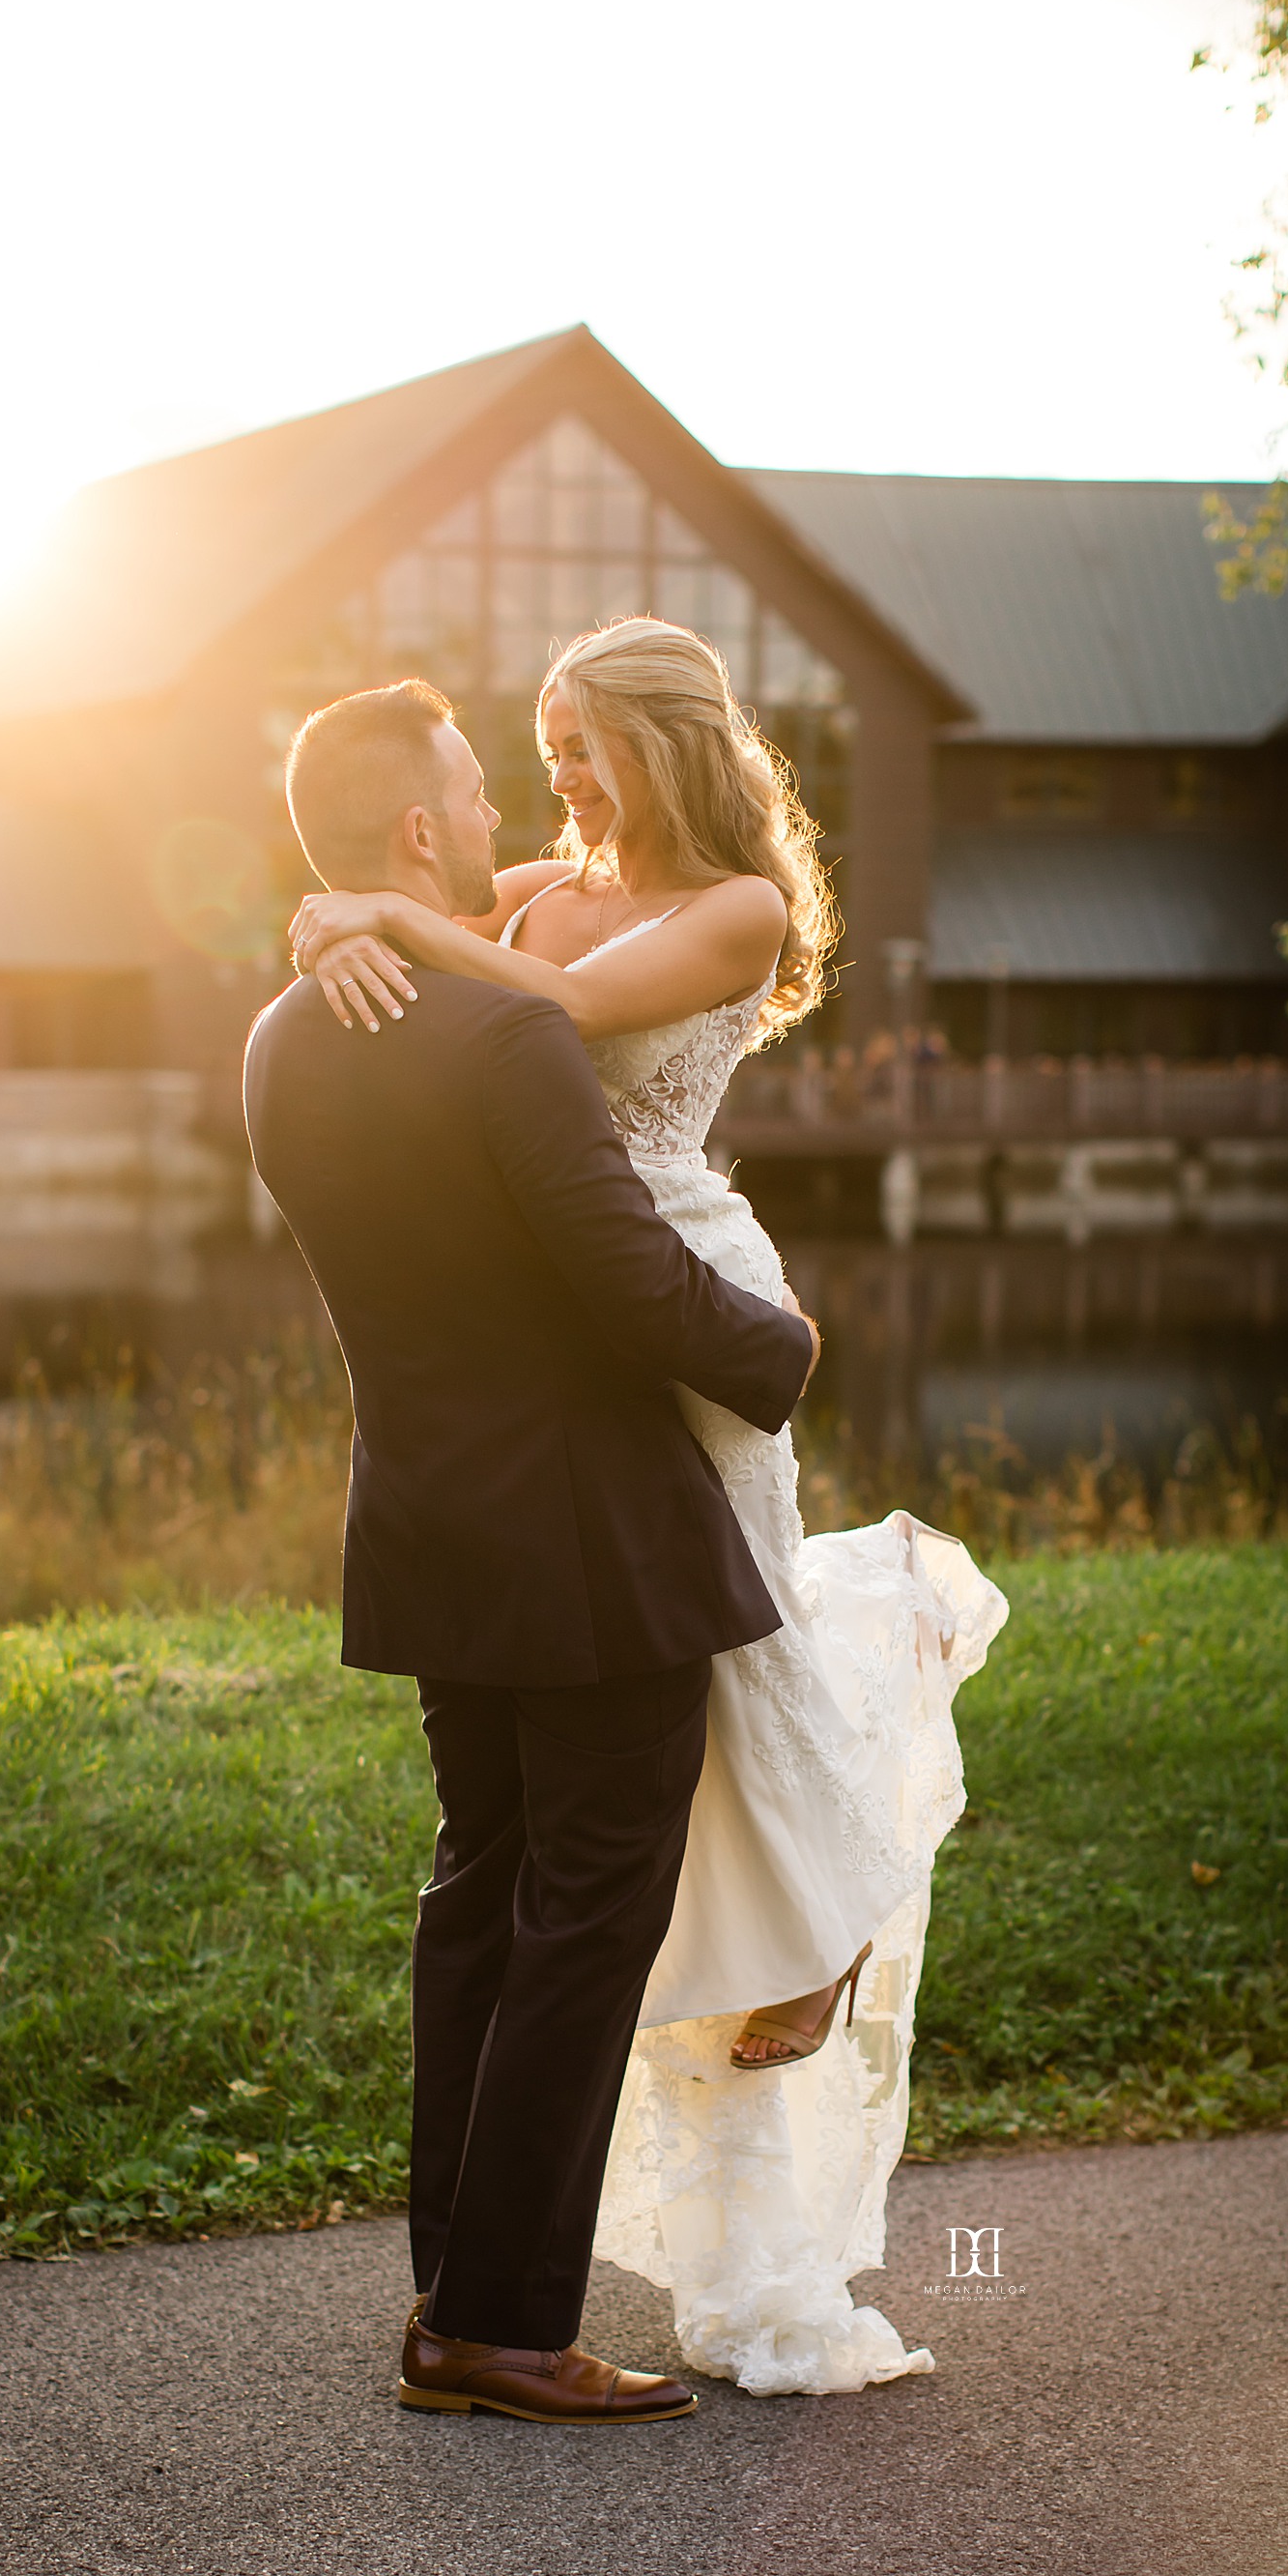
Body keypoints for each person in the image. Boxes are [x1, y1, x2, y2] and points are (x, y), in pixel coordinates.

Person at [289, 619, 1009, 2398]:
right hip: (607, 1327)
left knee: (735, 1622)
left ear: (669, 743)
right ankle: (495, 2314)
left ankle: (815, 1927)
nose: (555, 784)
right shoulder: (547, 883)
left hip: (672, 1282)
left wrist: (363, 918)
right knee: (623, 1762)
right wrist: (342, 907)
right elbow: (452, 917)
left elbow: (574, 1009)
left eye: (585, 746)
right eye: (533, 752)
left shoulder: (737, 907)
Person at [243, 677, 818, 2427]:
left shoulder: (279, 1038)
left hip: (429, 1524)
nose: (505, 816)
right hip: (587, 1545)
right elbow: (629, 1283)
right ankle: (498, 2321)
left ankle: (453, 2286)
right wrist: (781, 1353)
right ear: (415, 830)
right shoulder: (508, 1039)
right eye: (475, 794)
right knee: (587, 1912)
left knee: (478, 1895)